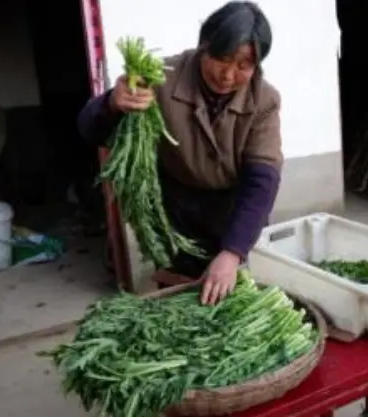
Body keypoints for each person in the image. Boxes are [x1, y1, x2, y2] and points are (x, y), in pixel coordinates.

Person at [77, 1, 282, 305]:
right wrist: (111, 104)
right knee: (180, 295)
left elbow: (262, 179)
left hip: (232, 208)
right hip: (177, 208)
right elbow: (90, 131)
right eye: (222, 59)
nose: (228, 75)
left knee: (236, 294)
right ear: (204, 45)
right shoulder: (160, 78)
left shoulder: (264, 100)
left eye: (243, 66)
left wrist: (233, 251)